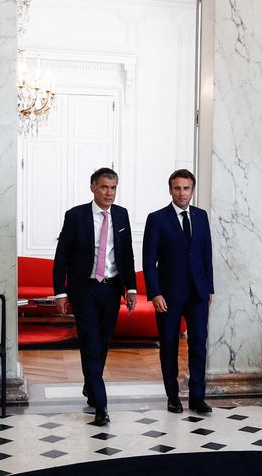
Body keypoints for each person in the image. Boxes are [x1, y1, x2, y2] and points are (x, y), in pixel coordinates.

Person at [53, 167, 137, 426]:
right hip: (84, 289)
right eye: (104, 187)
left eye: (113, 188)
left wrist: (131, 288)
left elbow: (127, 254)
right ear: (93, 187)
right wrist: (60, 292)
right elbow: (62, 257)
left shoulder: (121, 215)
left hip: (111, 289)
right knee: (90, 342)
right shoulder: (76, 216)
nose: (109, 193)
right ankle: (102, 406)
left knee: (101, 343)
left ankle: (91, 385)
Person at [143, 169, 214, 414]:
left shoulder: (202, 216)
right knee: (169, 345)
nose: (182, 193)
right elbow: (148, 260)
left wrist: (210, 288)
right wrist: (155, 293)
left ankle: (197, 396)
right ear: (170, 190)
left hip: (198, 293)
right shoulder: (157, 218)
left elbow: (207, 255)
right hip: (168, 295)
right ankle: (172, 396)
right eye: (177, 188)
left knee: (198, 345)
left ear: (192, 190)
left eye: (186, 188)